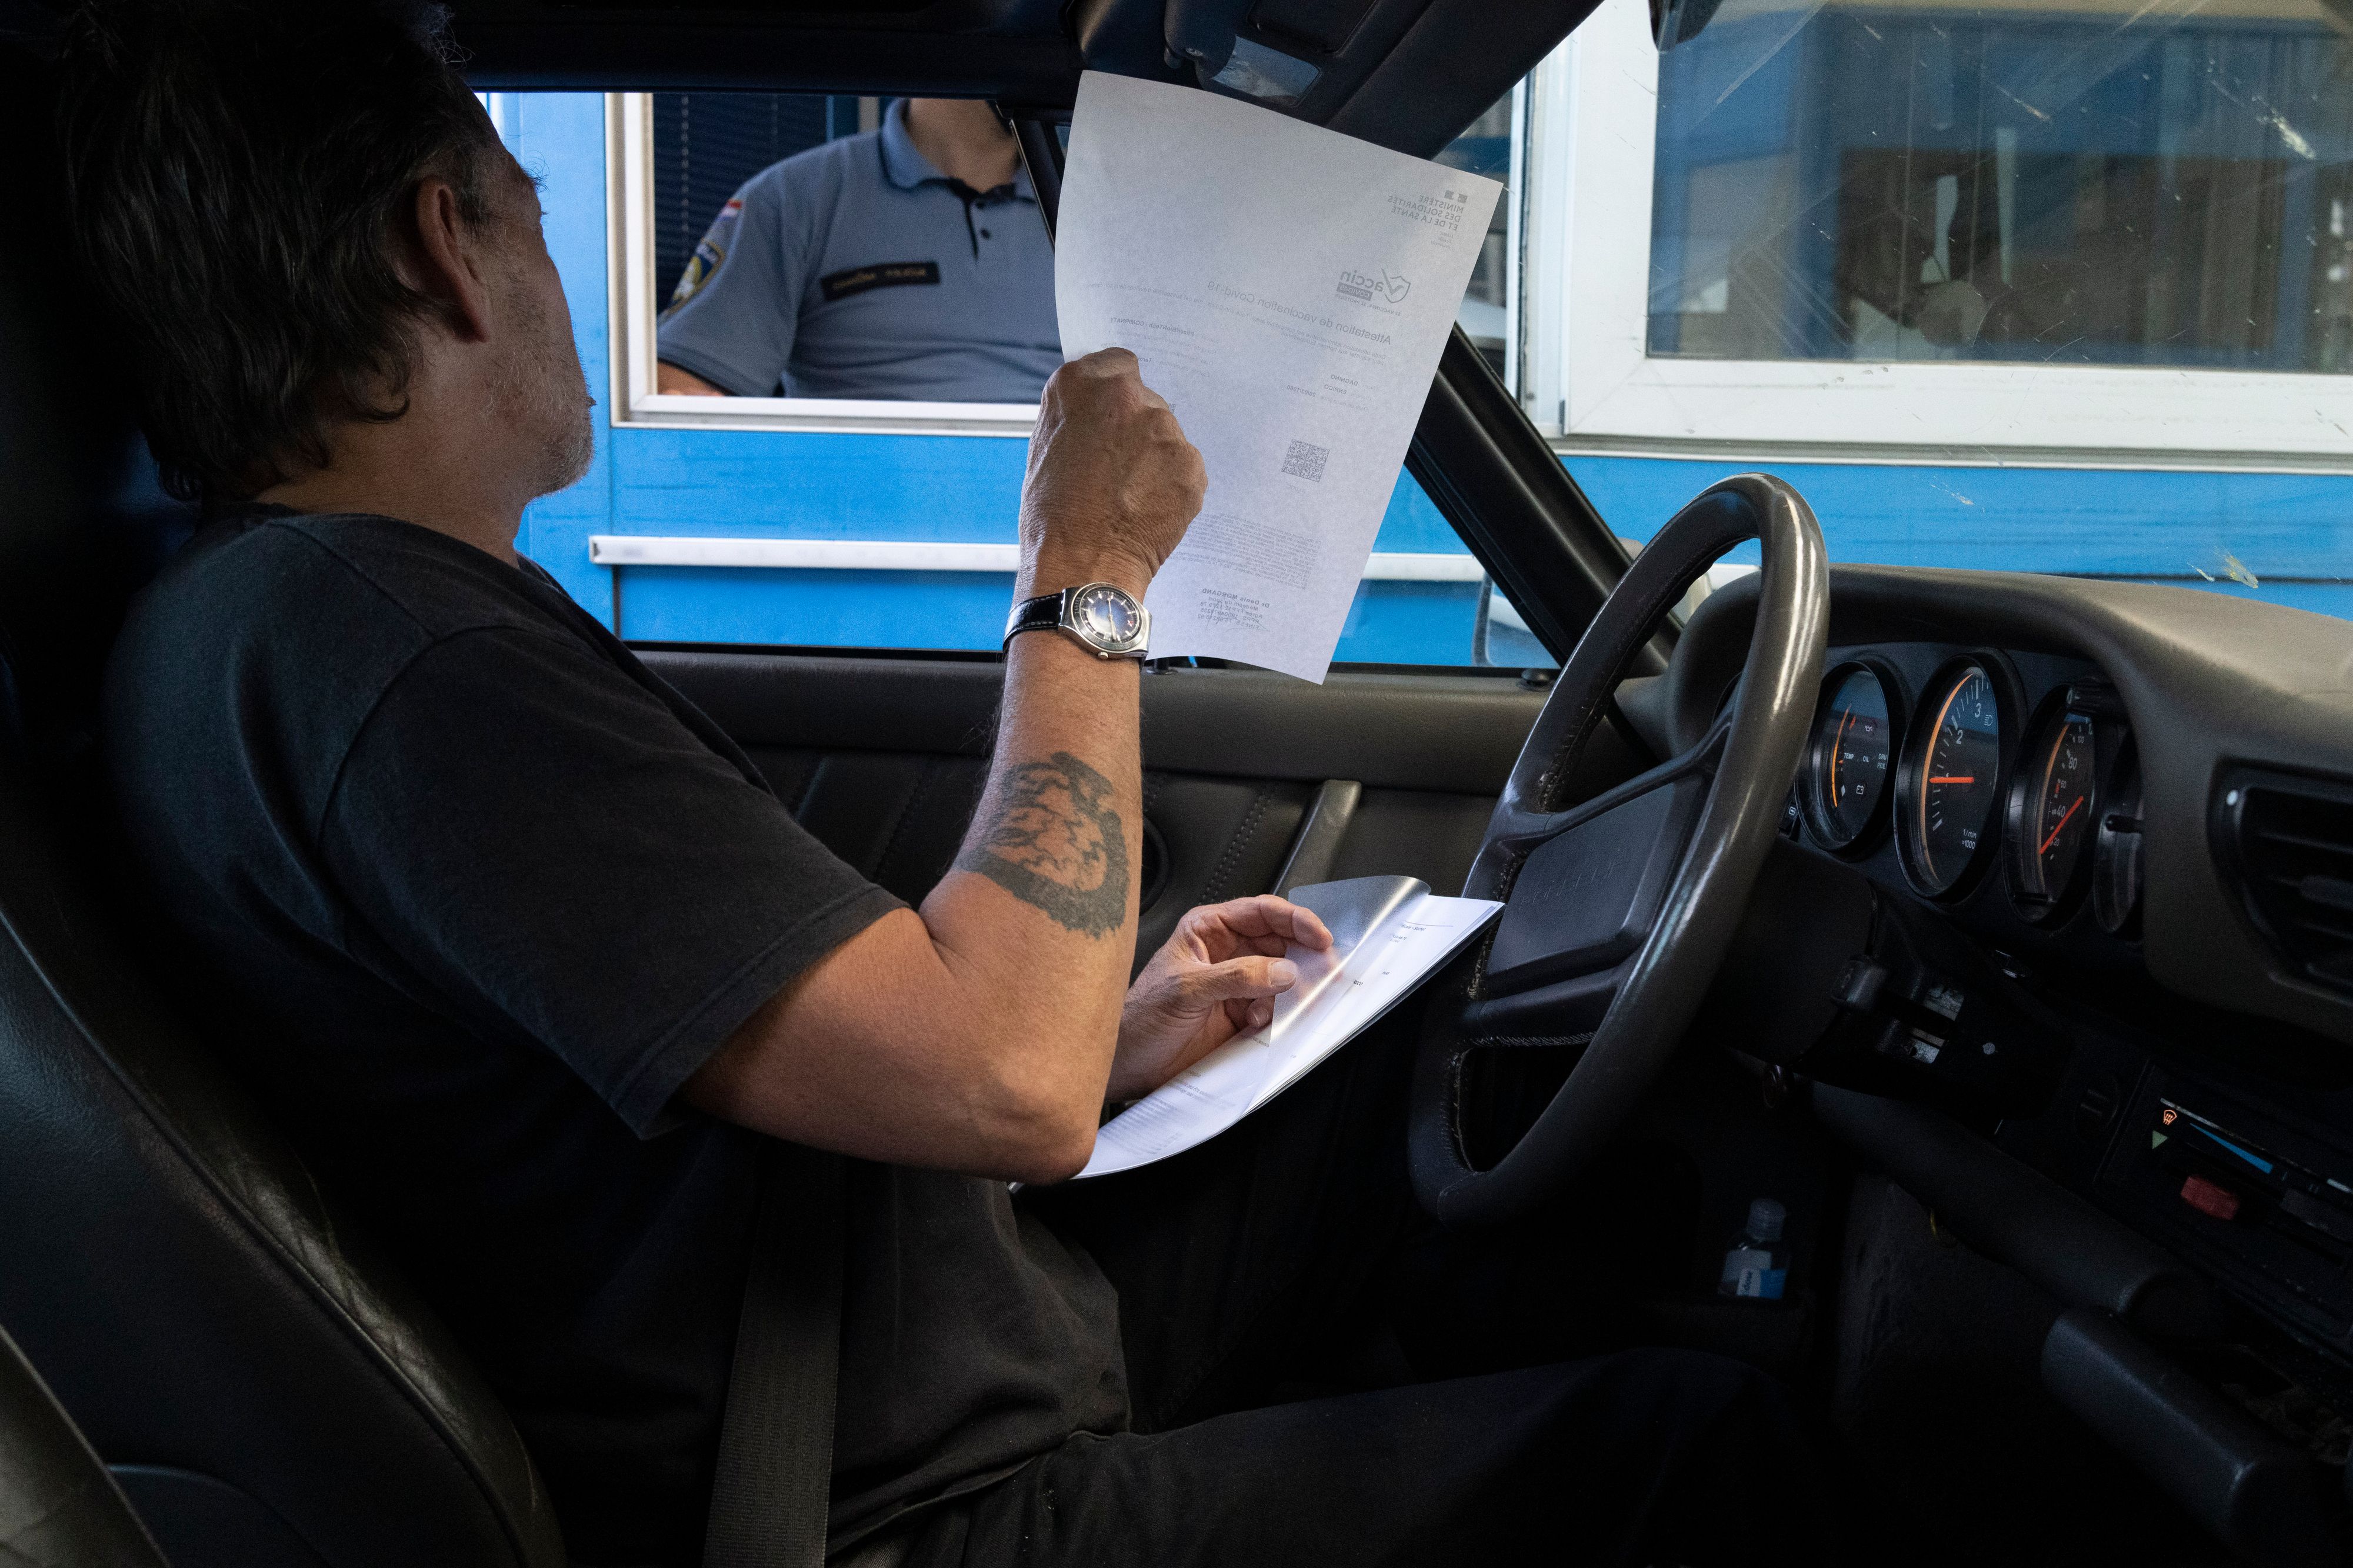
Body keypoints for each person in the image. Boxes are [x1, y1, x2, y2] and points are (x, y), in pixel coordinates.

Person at [60, 3, 1829, 1564]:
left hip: (889, 1347)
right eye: (526, 210)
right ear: (442, 246)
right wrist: (1084, 575)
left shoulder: (302, 628)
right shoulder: (389, 662)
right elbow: (1004, 1083)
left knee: (1404, 1108)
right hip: (886, 1502)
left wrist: (1103, 1035)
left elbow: (725, 1059)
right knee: (1690, 1443)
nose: (552, 275)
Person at [655, 96, 1058, 402]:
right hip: (855, 483)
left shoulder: (1090, 205)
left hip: (1071, 482)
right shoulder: (792, 198)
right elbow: (678, 396)